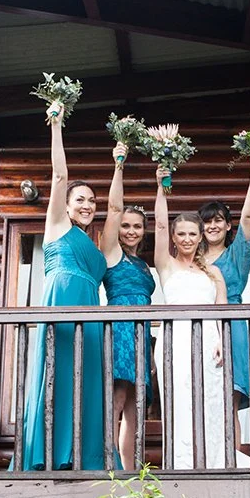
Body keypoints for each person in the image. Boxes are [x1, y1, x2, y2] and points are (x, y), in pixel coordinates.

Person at [18, 98, 107, 471]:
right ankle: (48, 453)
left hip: (89, 305)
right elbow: (58, 176)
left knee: (85, 378)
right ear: (67, 205)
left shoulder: (94, 243)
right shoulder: (58, 226)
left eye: (91, 201)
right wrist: (56, 126)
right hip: (62, 300)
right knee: (57, 369)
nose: (87, 205)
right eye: (80, 199)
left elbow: (114, 211)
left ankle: (83, 455)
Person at [153, 166, 228, 469]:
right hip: (176, 339)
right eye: (180, 234)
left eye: (192, 234)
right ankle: (182, 461)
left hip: (209, 338)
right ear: (173, 236)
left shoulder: (214, 272)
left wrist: (221, 340)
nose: (186, 239)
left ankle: (212, 459)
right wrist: (161, 187)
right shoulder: (166, 264)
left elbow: (222, 310)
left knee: (209, 399)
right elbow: (158, 225)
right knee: (179, 398)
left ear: (200, 238)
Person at [198, 147, 250, 451]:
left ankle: (232, 460)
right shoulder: (191, 257)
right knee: (202, 398)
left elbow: (249, 215)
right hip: (199, 326)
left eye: (218, 221)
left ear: (227, 225)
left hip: (232, 325)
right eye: (207, 222)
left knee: (228, 397)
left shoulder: (237, 255)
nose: (212, 226)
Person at [99, 139, 155, 470]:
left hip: (141, 332)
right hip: (120, 325)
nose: (131, 231)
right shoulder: (112, 252)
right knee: (117, 398)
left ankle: (131, 469)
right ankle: (107, 465)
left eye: (137, 227)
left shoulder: (144, 265)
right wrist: (119, 164)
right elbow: (115, 209)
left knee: (138, 403)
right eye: (126, 226)